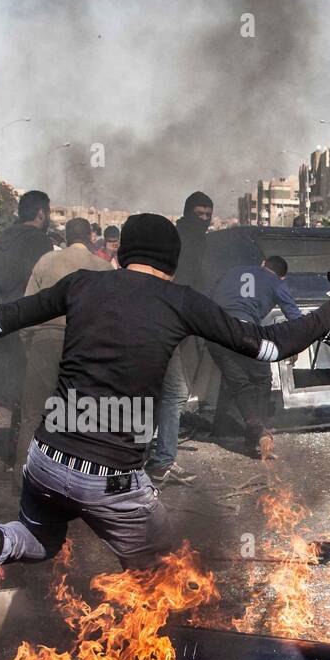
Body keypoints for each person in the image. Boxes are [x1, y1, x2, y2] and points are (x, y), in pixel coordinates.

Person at [0, 213, 330, 611]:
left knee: (40, 538)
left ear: (120, 255)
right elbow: (269, 345)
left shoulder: (82, 284)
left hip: (46, 460)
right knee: (166, 575)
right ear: (172, 265)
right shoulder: (182, 300)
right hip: (110, 479)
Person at [15, 218, 113, 470]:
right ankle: (74, 480)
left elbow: (28, 308)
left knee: (33, 415)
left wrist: (29, 342)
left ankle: (23, 477)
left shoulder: (46, 261)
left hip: (45, 341)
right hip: (86, 345)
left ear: (67, 237)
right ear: (91, 237)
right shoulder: (103, 267)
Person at [0, 191, 56, 459]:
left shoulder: (2, 239)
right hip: (25, 326)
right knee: (29, 393)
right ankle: (20, 456)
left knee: (5, 388)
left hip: (0, 324)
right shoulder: (39, 241)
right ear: (41, 212)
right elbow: (43, 285)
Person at [147, 191, 214, 486]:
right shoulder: (188, 243)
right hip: (172, 323)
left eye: (207, 214)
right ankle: (162, 461)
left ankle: (145, 452)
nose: (204, 220)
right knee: (174, 393)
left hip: (166, 321)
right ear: (187, 213)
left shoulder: (172, 238)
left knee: (158, 390)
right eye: (199, 214)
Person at [209, 253, 301, 457]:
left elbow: (210, 294)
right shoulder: (276, 282)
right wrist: (295, 345)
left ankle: (243, 432)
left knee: (239, 383)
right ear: (282, 277)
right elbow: (294, 317)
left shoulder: (233, 271)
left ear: (262, 264)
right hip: (246, 331)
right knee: (262, 380)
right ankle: (256, 436)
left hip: (215, 330)